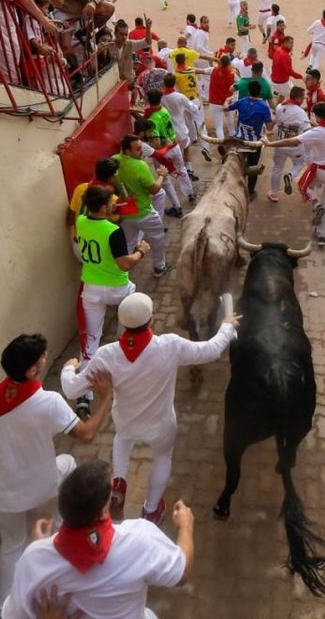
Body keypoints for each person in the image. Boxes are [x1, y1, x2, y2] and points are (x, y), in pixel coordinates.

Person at [61, 293, 239, 524]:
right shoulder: (170, 346)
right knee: (163, 457)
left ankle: (120, 482)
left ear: (124, 324)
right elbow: (211, 350)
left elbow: (72, 390)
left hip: (126, 422)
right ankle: (151, 510)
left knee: (122, 440)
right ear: (151, 321)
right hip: (161, 425)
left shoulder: (106, 355)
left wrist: (68, 368)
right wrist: (226, 327)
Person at [2, 460, 195, 618]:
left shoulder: (32, 562)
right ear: (102, 512)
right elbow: (182, 573)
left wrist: (39, 547)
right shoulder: (140, 539)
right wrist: (186, 526)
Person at [0, 335, 111, 604]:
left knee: (11, 547)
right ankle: (64, 529)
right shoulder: (47, 402)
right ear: (32, 370)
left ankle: (10, 603)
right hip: (42, 484)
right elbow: (85, 434)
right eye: (43, 357)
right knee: (69, 464)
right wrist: (106, 397)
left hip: (4, 493)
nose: (46, 357)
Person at [75, 185, 148, 412]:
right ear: (104, 205)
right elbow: (125, 263)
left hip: (91, 289)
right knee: (129, 321)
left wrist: (109, 208)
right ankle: (122, 354)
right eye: (110, 202)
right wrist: (141, 251)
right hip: (117, 288)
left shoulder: (80, 222)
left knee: (91, 340)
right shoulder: (113, 230)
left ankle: (84, 394)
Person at [264, 101, 325, 248]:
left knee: (303, 185)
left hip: (321, 170)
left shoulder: (316, 133)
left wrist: (270, 144)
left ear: (315, 115)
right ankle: (321, 235)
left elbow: (291, 141)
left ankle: (315, 203)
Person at [113, 134, 170, 278]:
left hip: (125, 210)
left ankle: (123, 273)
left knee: (129, 242)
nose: (141, 152)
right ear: (127, 150)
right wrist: (161, 175)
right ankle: (159, 267)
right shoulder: (140, 165)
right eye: (137, 149)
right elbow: (154, 189)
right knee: (157, 238)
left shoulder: (114, 160)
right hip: (144, 212)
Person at [225, 80, 273, 198]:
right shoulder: (263, 106)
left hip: (239, 141)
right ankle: (250, 192)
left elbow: (225, 108)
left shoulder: (242, 101)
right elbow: (269, 127)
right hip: (253, 143)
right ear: (260, 92)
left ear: (249, 91)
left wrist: (226, 100)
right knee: (253, 167)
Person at [267, 85, 311, 202]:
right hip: (295, 146)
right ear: (297, 98)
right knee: (300, 164)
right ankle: (291, 175)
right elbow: (307, 131)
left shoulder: (280, 107)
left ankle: (274, 193)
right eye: (302, 97)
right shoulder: (300, 112)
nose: (303, 100)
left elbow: (273, 122)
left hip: (280, 144)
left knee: (277, 167)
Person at [104, 17, 153, 87]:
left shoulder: (130, 44)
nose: (124, 37)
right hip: (115, 85)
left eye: (126, 34)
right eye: (121, 34)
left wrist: (148, 28)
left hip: (130, 82)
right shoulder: (108, 46)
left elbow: (147, 42)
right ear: (115, 34)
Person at [209, 55, 236, 139]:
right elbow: (239, 83)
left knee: (219, 127)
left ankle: (221, 143)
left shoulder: (213, 70)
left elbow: (201, 71)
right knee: (229, 117)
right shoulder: (232, 74)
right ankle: (233, 135)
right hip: (227, 102)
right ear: (229, 63)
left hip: (214, 103)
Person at [270, 35, 303, 99]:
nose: (292, 45)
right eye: (291, 43)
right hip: (282, 83)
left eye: (292, 43)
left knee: (282, 94)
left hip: (274, 80)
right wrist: (301, 77)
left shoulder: (278, 50)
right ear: (285, 43)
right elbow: (289, 71)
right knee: (297, 97)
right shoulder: (285, 55)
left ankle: (276, 107)